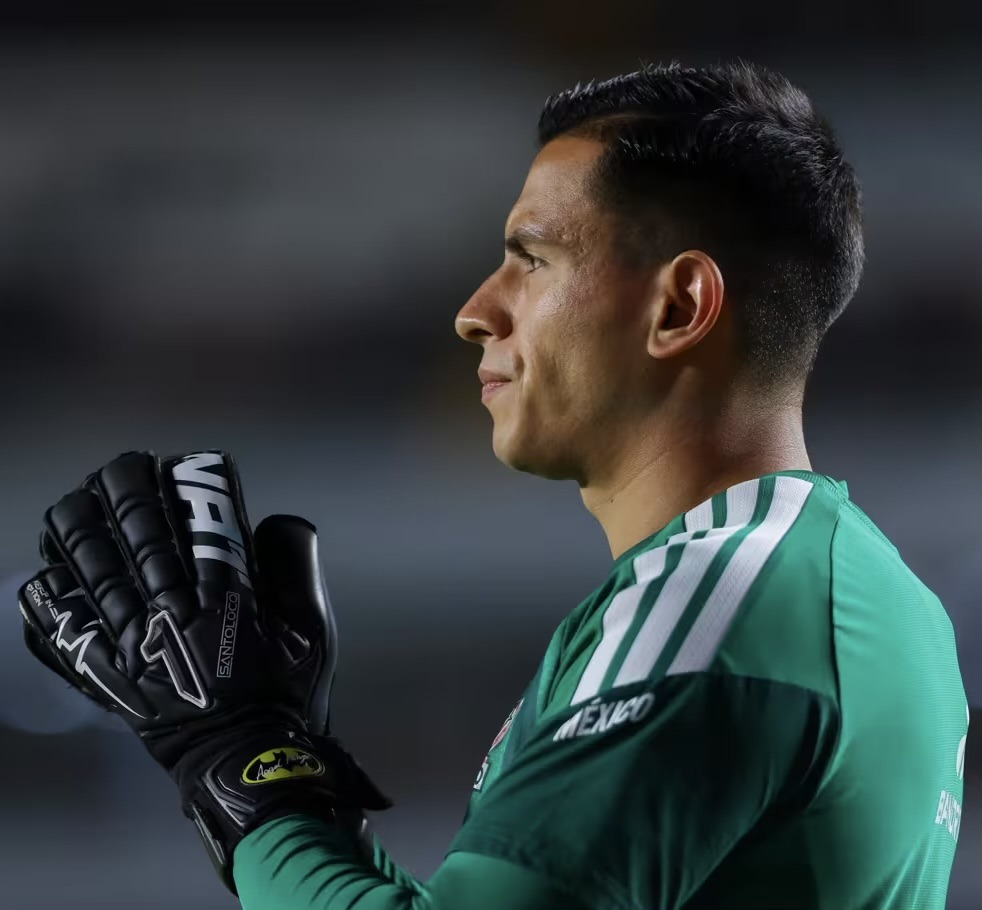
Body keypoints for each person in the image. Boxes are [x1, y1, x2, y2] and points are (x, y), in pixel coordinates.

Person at [18, 61, 967, 910]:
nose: (476, 312)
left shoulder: (720, 602)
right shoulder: (863, 594)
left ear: (679, 304)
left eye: (533, 258)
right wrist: (279, 766)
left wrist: (231, 755)